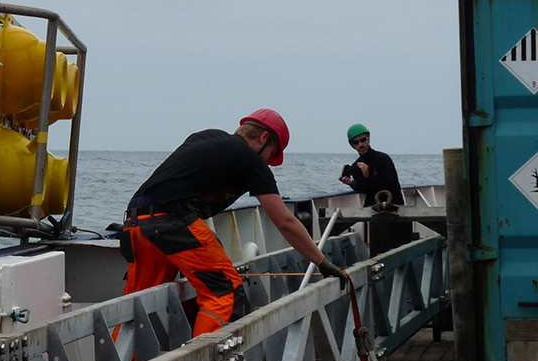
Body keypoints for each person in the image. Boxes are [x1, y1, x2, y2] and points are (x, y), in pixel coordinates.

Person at [121, 109, 347, 337]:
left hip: (136, 223)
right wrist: (321, 262)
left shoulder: (205, 137)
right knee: (225, 291)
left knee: (138, 308)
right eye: (271, 154)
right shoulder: (251, 160)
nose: (267, 162)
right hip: (172, 222)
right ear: (264, 138)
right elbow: (285, 221)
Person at [340, 123, 409, 253]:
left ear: (368, 140)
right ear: (353, 146)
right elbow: (364, 188)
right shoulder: (356, 166)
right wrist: (351, 184)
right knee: (378, 251)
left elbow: (388, 185)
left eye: (363, 140)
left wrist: (368, 175)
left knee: (399, 250)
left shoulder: (383, 159)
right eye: (356, 142)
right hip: (375, 214)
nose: (360, 144)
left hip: (395, 210)